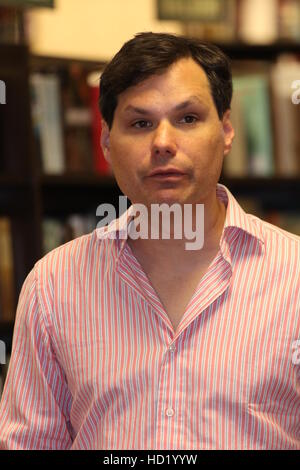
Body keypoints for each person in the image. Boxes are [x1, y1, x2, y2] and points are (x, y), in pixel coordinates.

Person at [0, 32, 299, 450]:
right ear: (106, 141)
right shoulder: (53, 286)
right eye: (140, 123)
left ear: (227, 130)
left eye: (188, 119)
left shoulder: (294, 278)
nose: (163, 143)